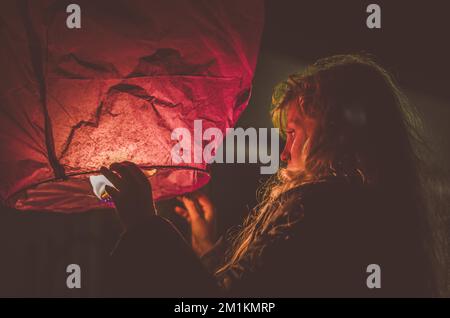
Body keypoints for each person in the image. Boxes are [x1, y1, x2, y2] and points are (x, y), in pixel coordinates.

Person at [102, 54, 435, 297]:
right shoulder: (370, 211)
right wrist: (208, 250)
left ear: (336, 134)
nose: (284, 153)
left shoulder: (317, 209)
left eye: (293, 133)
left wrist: (144, 226)